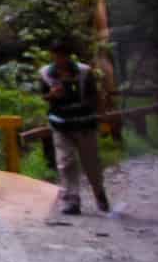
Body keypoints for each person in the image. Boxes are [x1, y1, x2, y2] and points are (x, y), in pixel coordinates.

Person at [39, 36, 111, 216]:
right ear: (52, 56)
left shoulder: (84, 72)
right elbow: (43, 96)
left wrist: (95, 111)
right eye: (57, 56)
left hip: (84, 123)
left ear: (69, 56)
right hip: (60, 124)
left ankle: (99, 193)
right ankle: (71, 200)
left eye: (63, 56)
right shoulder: (46, 74)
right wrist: (52, 95)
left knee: (91, 163)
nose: (60, 60)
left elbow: (94, 96)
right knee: (65, 162)